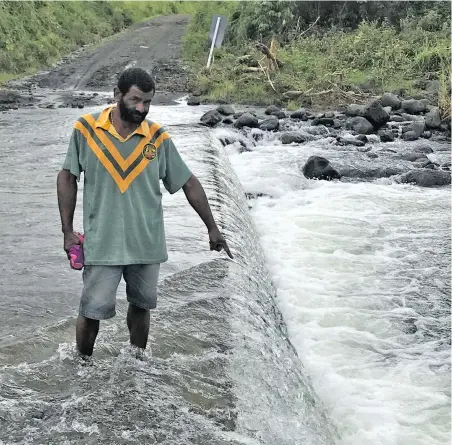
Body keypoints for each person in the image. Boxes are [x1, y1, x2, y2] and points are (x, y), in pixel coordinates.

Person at [57, 67, 232, 357]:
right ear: (117, 95)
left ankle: (137, 363)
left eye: (147, 102)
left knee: (142, 307)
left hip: (147, 243)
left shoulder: (157, 138)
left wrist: (212, 227)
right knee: (91, 311)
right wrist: (67, 231)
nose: (142, 108)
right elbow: (67, 177)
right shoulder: (86, 130)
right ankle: (81, 366)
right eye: (136, 100)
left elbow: (188, 181)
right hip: (103, 243)